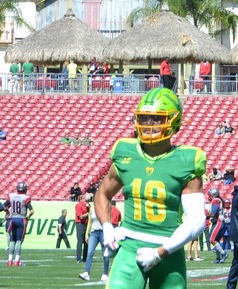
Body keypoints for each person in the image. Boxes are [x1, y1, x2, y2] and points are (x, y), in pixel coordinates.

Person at [93, 88, 208, 289]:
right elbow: (103, 193)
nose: (149, 125)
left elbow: (197, 220)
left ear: (174, 121)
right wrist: (107, 227)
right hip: (129, 246)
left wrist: (160, 252)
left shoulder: (188, 160)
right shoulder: (125, 153)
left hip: (169, 250)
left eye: (156, 119)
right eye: (145, 118)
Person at [81, 196, 121, 281]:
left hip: (103, 232)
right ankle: (87, 273)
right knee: (90, 253)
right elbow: (90, 222)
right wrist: (87, 234)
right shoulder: (92, 210)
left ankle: (105, 274)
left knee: (105, 253)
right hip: (93, 233)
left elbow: (109, 222)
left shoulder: (106, 210)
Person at [75, 191, 91, 262]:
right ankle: (78, 258)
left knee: (86, 242)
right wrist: (88, 213)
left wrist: (89, 208)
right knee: (80, 242)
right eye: (87, 200)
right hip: (80, 224)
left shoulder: (87, 206)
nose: (88, 202)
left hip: (86, 224)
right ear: (83, 199)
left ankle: (85, 258)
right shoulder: (79, 205)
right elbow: (80, 216)